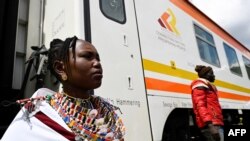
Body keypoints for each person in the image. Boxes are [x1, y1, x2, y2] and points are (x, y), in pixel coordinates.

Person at [1, 36, 125, 141]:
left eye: (98, 58)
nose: (97, 63)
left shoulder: (105, 108)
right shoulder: (39, 114)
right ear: (60, 68)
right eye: (87, 56)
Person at [190, 65, 224, 141]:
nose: (213, 75)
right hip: (212, 125)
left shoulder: (208, 86)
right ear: (205, 75)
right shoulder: (200, 85)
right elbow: (200, 106)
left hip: (215, 123)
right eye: (211, 73)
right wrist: (210, 126)